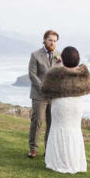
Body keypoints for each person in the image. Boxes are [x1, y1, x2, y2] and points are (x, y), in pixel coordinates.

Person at [41, 46, 90, 174]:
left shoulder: (55, 73)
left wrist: (57, 66)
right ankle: (75, 161)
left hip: (60, 103)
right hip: (76, 104)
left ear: (62, 58)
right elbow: (88, 87)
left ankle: (59, 161)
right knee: (74, 131)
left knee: (58, 129)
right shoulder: (83, 73)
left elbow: (45, 88)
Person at [27, 29, 62, 158]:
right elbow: (32, 74)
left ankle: (49, 149)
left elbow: (60, 73)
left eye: (54, 41)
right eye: (50, 40)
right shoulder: (35, 55)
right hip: (39, 95)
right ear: (44, 40)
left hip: (54, 96)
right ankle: (33, 149)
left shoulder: (59, 55)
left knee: (51, 123)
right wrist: (42, 87)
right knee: (37, 122)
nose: (52, 43)